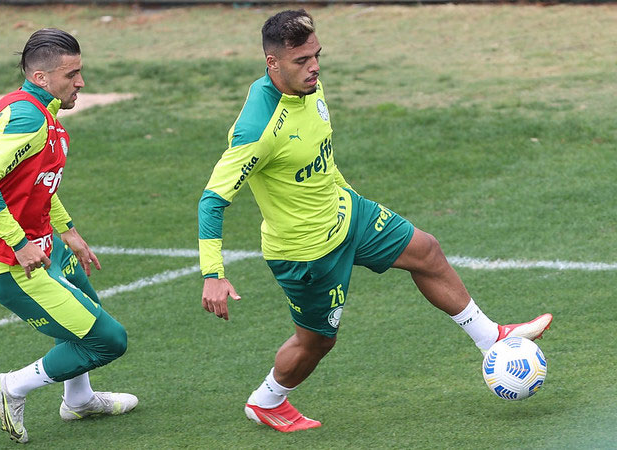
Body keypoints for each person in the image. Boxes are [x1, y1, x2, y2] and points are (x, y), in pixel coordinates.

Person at [197, 10, 552, 433]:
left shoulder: (311, 87)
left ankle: (489, 337)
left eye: (317, 55)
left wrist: (342, 192)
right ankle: (267, 400)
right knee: (317, 342)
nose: (313, 67)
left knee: (426, 250)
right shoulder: (257, 128)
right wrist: (213, 274)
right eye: (301, 61)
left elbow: (318, 153)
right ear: (272, 63)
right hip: (307, 253)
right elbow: (212, 201)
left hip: (349, 213)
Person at [0, 28, 137, 444]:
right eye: (71, 74)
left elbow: (37, 183)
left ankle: (79, 401)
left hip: (47, 246)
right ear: (41, 78)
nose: (80, 82)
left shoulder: (39, 110)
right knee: (107, 340)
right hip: (15, 262)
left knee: (86, 309)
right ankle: (12, 386)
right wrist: (19, 244)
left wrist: (69, 232)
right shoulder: (27, 117)